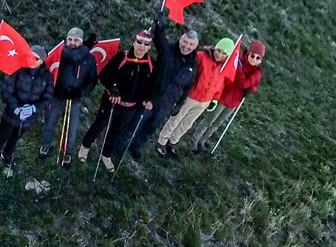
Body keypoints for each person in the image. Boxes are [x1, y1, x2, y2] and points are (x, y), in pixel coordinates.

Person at [79, 29, 157, 172]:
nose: (141, 46)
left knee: (116, 131)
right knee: (99, 125)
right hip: (112, 102)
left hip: (130, 107)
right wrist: (113, 89)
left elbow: (152, 86)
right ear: (134, 42)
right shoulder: (122, 58)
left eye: (146, 44)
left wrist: (148, 98)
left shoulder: (151, 65)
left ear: (149, 47)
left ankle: (106, 155)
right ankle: (85, 146)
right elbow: (104, 75)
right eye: (139, 42)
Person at [130, 16, 200, 157]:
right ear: (180, 39)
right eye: (185, 42)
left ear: (195, 46)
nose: (186, 46)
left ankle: (136, 146)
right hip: (151, 98)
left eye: (190, 44)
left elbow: (187, 87)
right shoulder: (167, 51)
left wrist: (179, 104)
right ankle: (121, 144)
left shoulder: (193, 65)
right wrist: (160, 26)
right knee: (135, 123)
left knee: (150, 128)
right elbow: (159, 39)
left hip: (167, 104)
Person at [156, 37, 234, 156]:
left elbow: (220, 85)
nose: (219, 54)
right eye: (218, 50)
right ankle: (162, 141)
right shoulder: (201, 56)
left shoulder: (224, 67)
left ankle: (173, 141)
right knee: (177, 118)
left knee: (188, 123)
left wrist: (215, 99)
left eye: (224, 53)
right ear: (215, 47)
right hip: (191, 95)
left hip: (205, 100)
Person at [0, 45, 52, 176]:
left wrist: (34, 108)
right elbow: (6, 91)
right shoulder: (17, 68)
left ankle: (7, 155)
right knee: (2, 137)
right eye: (30, 56)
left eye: (35, 58)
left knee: (15, 138)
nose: (31, 59)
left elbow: (47, 97)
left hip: (28, 118)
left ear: (42, 61)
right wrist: (16, 108)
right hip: (11, 114)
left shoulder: (47, 77)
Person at [191, 40, 266, 153]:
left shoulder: (256, 72)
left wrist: (243, 77)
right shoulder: (236, 59)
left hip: (235, 101)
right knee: (210, 119)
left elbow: (247, 84)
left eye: (258, 58)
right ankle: (194, 140)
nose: (254, 60)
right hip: (223, 95)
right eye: (252, 55)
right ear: (248, 53)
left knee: (217, 123)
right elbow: (237, 78)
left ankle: (203, 141)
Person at [43, 27, 98, 165]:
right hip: (58, 94)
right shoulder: (62, 52)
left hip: (75, 97)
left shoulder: (89, 59)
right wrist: (87, 45)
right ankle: (45, 144)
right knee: (50, 122)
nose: (72, 42)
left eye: (76, 40)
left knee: (72, 128)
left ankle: (69, 152)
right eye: (70, 39)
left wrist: (81, 92)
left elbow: (92, 80)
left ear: (81, 41)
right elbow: (74, 56)